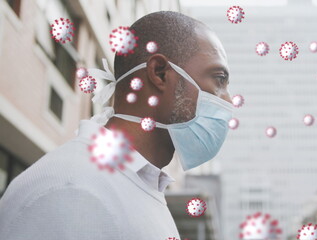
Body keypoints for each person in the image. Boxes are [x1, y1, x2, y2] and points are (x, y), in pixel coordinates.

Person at [0, 11, 233, 240]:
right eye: (219, 79)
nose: (228, 100)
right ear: (160, 73)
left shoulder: (137, 185)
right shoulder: (75, 190)